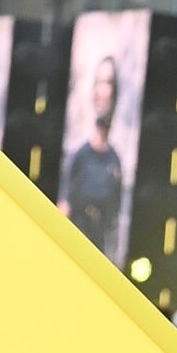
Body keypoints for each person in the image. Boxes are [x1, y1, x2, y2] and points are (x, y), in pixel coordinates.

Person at [59, 55, 126, 262]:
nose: (101, 91)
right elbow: (63, 209)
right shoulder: (78, 156)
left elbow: (114, 223)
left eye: (107, 83)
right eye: (98, 82)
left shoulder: (115, 161)